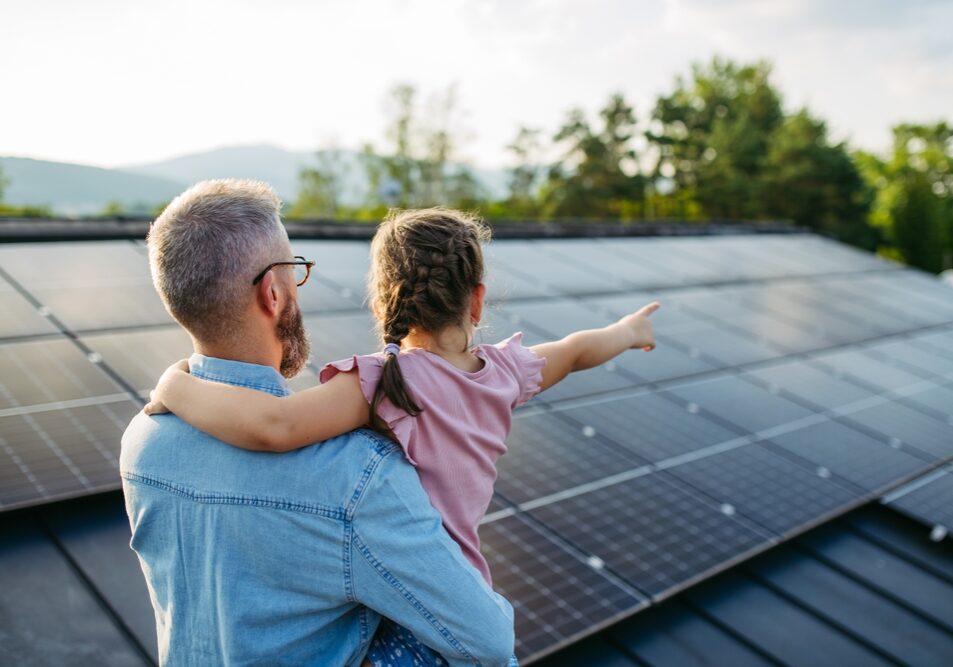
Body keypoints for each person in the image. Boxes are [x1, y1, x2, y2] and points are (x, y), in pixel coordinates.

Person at [145, 207, 660, 665]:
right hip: (456, 592)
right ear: (476, 302)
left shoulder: (386, 383)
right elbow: (574, 350)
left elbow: (273, 426)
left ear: (384, 302)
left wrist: (174, 384)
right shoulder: (505, 372)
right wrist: (628, 332)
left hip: (412, 625)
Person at [121, 181, 516, 667]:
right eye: (295, 272)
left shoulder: (141, 443)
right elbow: (488, 642)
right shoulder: (357, 475)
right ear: (272, 293)